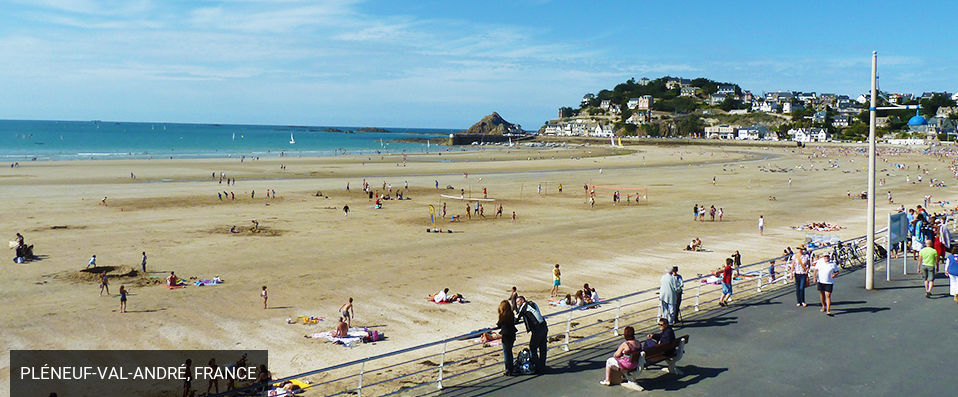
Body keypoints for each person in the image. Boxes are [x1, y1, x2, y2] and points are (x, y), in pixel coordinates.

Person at [515, 296, 548, 374]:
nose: (517, 304)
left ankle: (538, 367)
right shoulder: (532, 303)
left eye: (518, 302)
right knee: (542, 347)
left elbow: (516, 318)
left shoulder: (524, 306)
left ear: (522, 300)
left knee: (532, 347)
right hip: (544, 326)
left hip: (537, 329)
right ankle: (542, 365)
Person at [492, 300, 518, 376]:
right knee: (509, 351)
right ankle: (511, 368)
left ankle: (508, 370)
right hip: (512, 334)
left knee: (506, 353)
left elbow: (499, 324)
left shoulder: (503, 315)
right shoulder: (511, 314)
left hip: (506, 336)